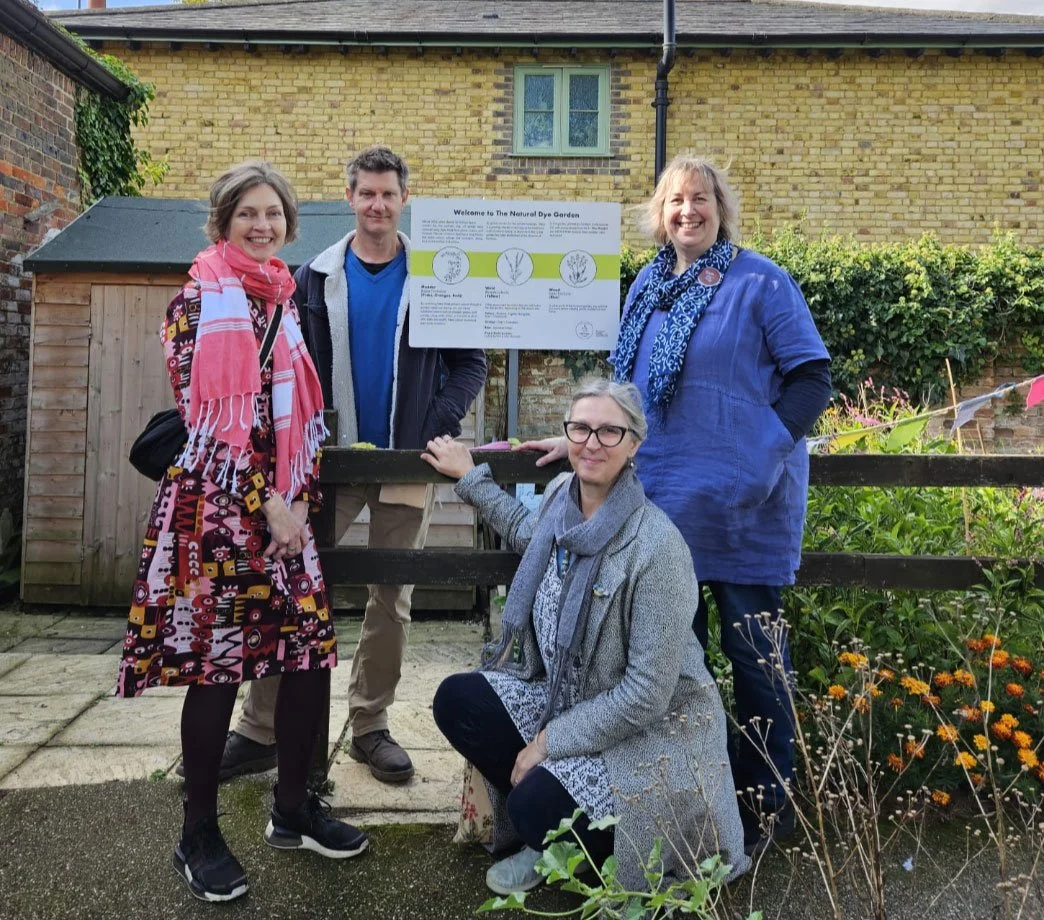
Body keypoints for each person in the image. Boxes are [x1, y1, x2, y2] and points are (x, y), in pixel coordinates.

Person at [520, 155, 832, 854]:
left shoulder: (761, 281)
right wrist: (578, 437)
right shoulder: (647, 290)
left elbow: (812, 380)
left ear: (721, 207)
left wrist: (756, 456)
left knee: (756, 668)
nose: (687, 211)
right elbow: (624, 399)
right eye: (675, 201)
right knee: (669, 676)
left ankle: (763, 814)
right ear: (659, 214)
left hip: (744, 510)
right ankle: (681, 808)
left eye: (701, 199)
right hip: (660, 517)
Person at [118, 161, 368, 903]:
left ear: (288, 224)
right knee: (219, 667)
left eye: (274, 215)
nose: (263, 226)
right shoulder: (196, 303)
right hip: (220, 516)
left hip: (284, 514)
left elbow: (291, 421)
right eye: (247, 215)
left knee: (308, 653)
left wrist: (292, 507)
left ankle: (294, 808)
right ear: (222, 223)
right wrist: (273, 508)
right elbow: (209, 434)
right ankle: (197, 833)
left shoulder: (283, 305)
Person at [217, 145, 487, 785]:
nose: (378, 204)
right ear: (350, 197)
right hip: (322, 467)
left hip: (404, 464)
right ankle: (260, 730)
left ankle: (370, 726)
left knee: (390, 600)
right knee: (288, 589)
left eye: (389, 194)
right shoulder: (312, 277)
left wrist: (429, 427)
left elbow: (468, 365)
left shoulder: (435, 275)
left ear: (404, 199)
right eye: (367, 193)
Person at [422, 379, 749, 895]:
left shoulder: (657, 547)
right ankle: (550, 822)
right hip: (568, 698)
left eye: (609, 431)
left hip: (648, 737)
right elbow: (529, 537)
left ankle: (547, 835)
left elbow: (646, 696)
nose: (592, 442)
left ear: (634, 443)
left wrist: (548, 744)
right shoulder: (560, 500)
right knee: (458, 700)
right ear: (567, 433)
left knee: (534, 808)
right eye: (581, 428)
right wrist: (472, 479)